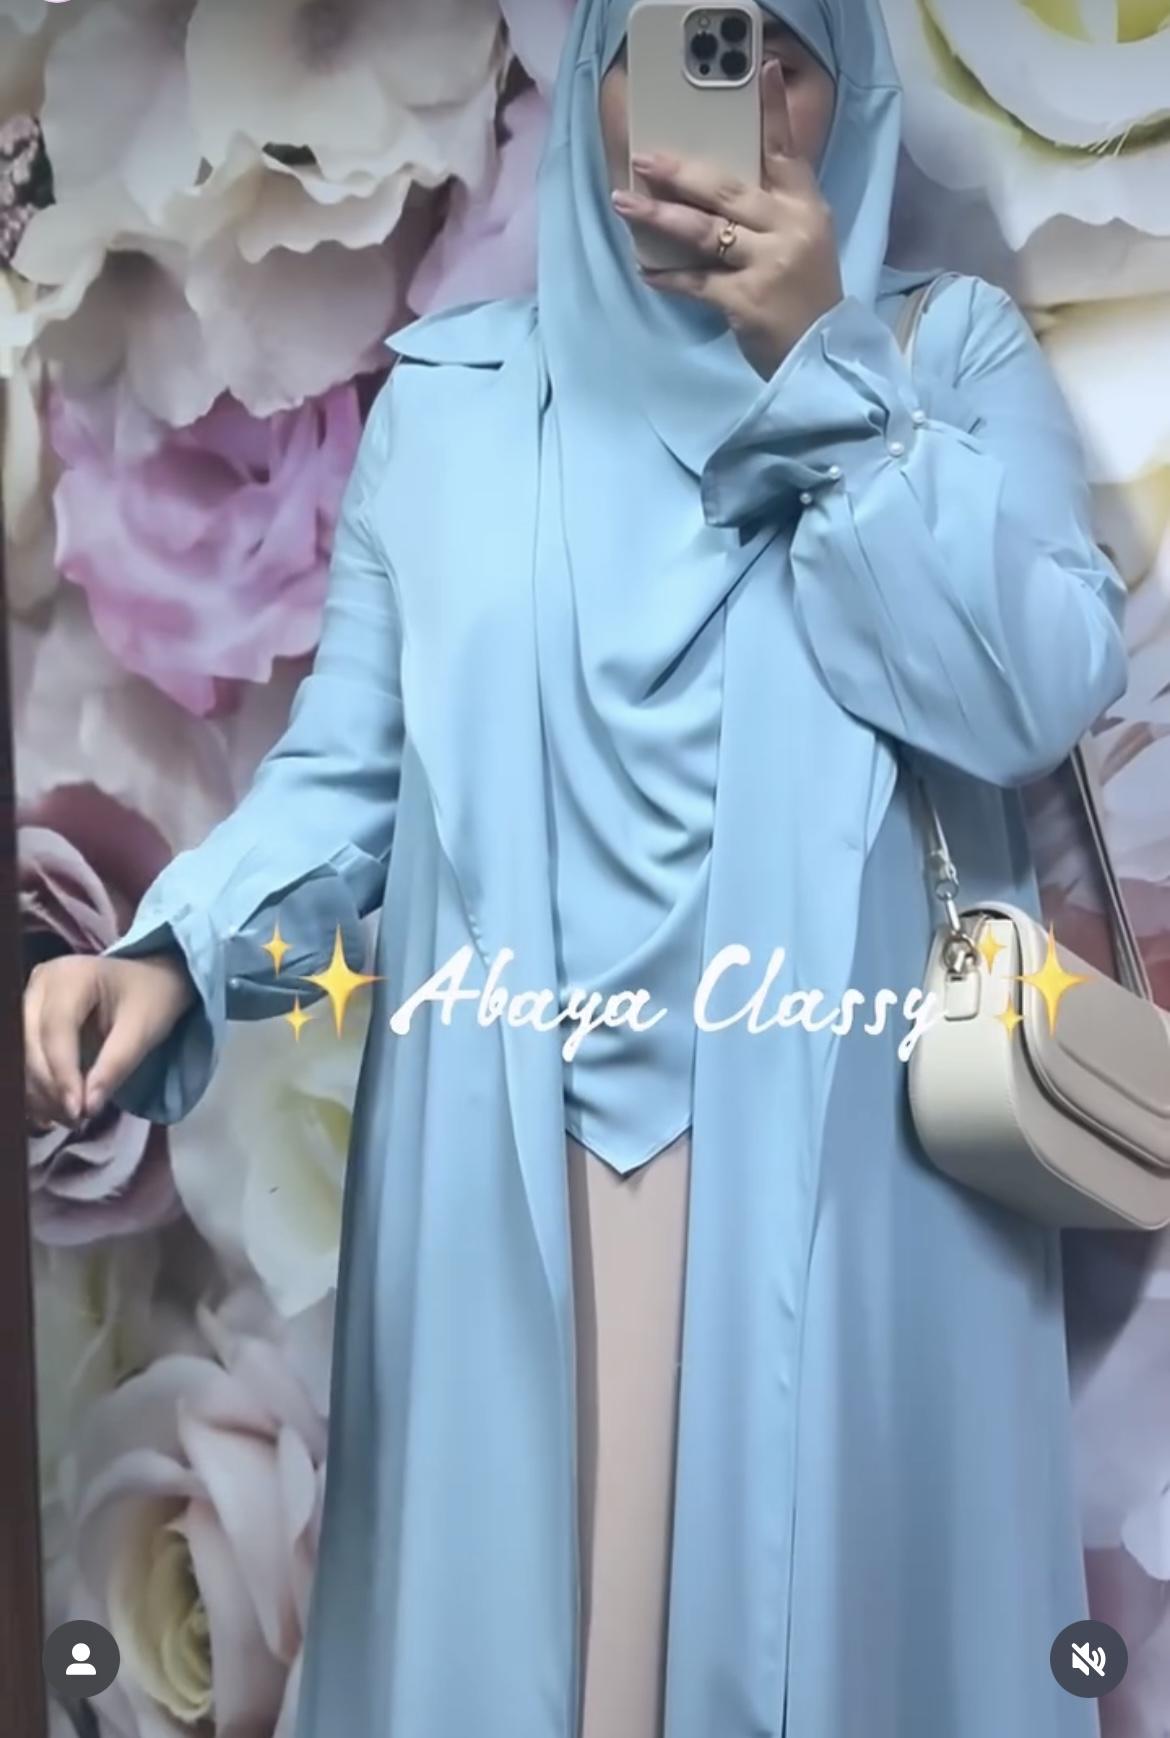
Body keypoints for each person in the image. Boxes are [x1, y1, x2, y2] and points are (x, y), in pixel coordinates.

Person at [23, 3, 1128, 1736]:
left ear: (848, 97)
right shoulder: (452, 413)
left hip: (848, 1176)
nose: (734, 97)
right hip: (505, 1167)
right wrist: (173, 953)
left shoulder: (944, 364)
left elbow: (1021, 694)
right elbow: (346, 784)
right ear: (598, 91)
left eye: (776, 51)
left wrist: (820, 365)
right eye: (674, 47)